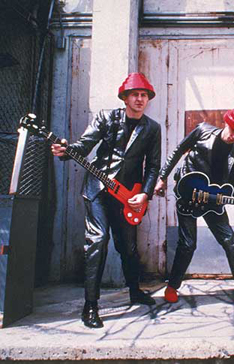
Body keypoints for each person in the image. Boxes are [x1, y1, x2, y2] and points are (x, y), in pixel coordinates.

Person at [51, 72, 162, 328]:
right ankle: (90, 306)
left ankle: (134, 290)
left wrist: (144, 193)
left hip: (128, 195)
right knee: (98, 241)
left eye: (144, 95)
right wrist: (66, 151)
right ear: (124, 97)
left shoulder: (152, 128)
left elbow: (153, 166)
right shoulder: (106, 117)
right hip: (98, 189)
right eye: (134, 94)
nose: (139, 99)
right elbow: (84, 145)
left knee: (128, 247)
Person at [154, 105, 234, 305]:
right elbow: (179, 150)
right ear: (227, 122)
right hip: (189, 193)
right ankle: (172, 286)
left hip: (213, 201)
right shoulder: (202, 130)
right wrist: (162, 177)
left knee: (230, 239)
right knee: (188, 244)